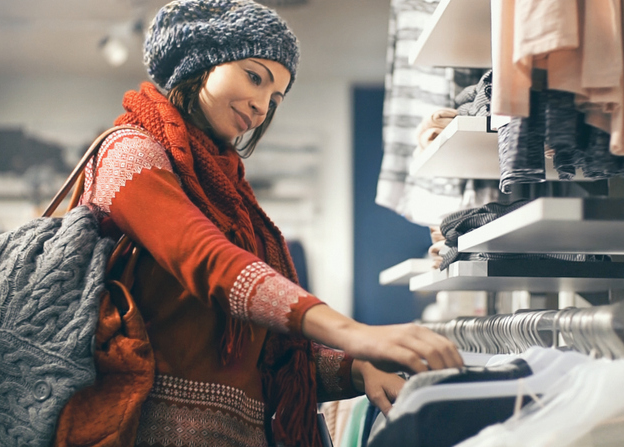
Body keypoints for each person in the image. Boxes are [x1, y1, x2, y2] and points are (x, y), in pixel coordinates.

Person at [75, 0, 463, 445]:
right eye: (254, 76)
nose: (261, 106)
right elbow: (203, 257)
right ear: (202, 61)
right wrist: (355, 334)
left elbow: (269, 355)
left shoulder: (231, 196)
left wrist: (357, 368)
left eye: (275, 98)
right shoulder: (128, 153)